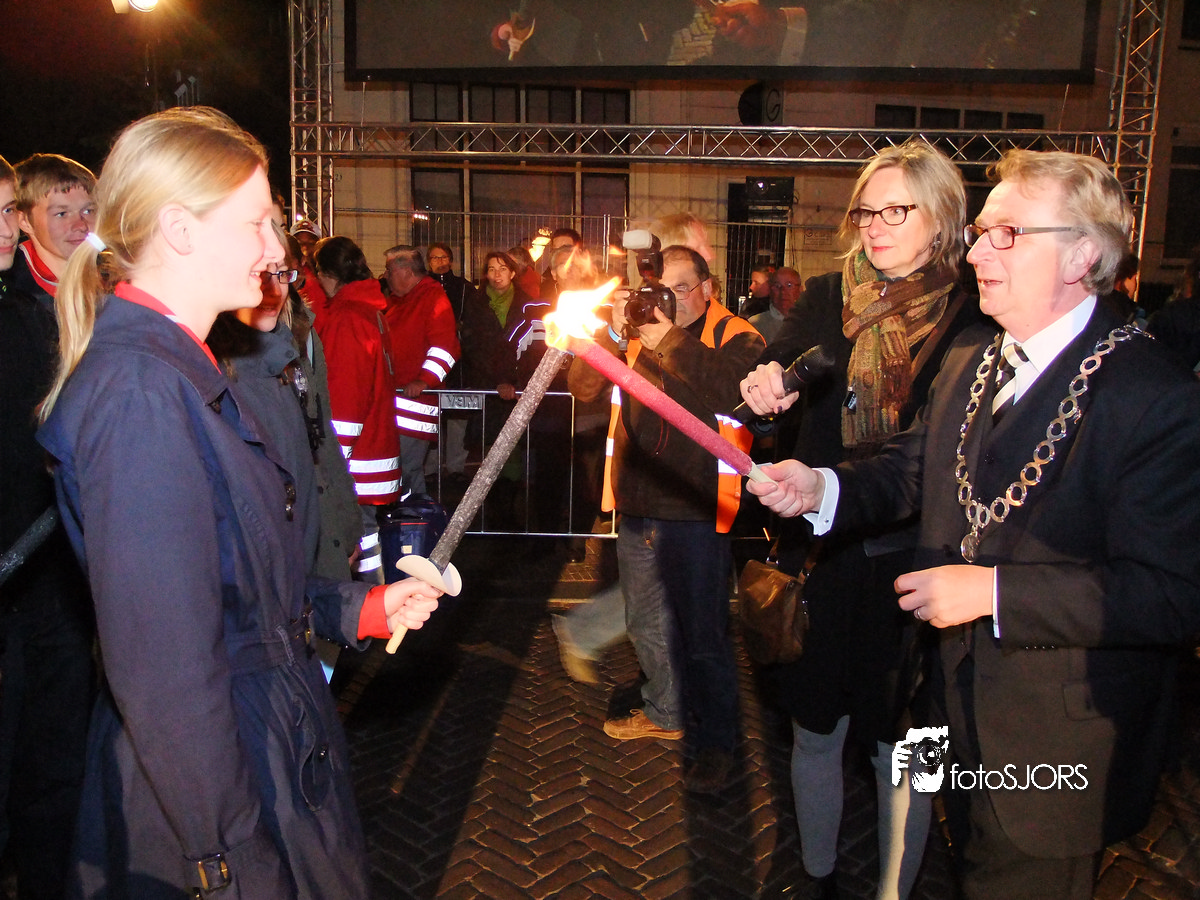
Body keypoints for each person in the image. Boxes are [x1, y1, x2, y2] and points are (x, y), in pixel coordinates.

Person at [742, 149, 1200, 900]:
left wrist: (994, 594)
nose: (979, 251)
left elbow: (1171, 595)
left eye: (1007, 234)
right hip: (954, 706)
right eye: (982, 232)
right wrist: (821, 487)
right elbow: (911, 469)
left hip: (1055, 745)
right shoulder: (974, 358)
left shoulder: (1153, 395)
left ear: (1082, 255)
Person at [35, 107, 444, 898]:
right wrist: (228, 859)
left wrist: (359, 607)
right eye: (256, 222)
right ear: (180, 229)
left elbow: (237, 583)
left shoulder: (183, 371)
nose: (274, 249)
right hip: (223, 787)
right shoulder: (142, 395)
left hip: (264, 746)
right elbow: (167, 672)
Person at [747, 140, 979, 900]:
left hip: (921, 565)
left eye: (895, 211)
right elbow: (787, 360)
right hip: (823, 553)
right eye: (865, 212)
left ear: (941, 216)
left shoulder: (974, 313)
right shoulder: (827, 294)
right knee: (814, 728)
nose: (874, 226)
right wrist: (770, 381)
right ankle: (817, 877)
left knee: (904, 749)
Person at [567, 244, 764, 793]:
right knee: (645, 621)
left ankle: (717, 743)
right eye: (659, 289)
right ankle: (667, 708)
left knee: (703, 635)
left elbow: (734, 394)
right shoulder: (635, 330)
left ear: (708, 288)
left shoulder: (737, 336)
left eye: (680, 289)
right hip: (638, 500)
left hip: (696, 506)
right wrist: (606, 334)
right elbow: (583, 388)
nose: (666, 300)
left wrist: (668, 338)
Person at [0, 154, 96, 900]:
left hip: (53, 558)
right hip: (20, 555)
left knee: (56, 744)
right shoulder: (22, 310)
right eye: (57, 212)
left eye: (85, 210)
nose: (77, 225)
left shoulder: (90, 297)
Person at [312, 234, 406, 581]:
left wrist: (333, 458)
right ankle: (374, 602)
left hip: (356, 460)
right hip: (374, 449)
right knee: (367, 541)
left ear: (327, 275)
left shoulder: (347, 317)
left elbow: (346, 395)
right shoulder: (371, 312)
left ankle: (369, 608)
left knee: (359, 544)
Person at [382, 245, 461, 497]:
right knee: (402, 472)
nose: (385, 275)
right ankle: (411, 516)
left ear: (406, 271)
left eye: (389, 270)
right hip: (400, 404)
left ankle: (414, 517)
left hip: (414, 406)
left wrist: (424, 380)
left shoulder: (431, 298)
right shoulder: (401, 301)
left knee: (406, 472)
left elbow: (446, 349)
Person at [10, 153, 96, 309]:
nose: (81, 225)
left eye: (88, 211)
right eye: (62, 214)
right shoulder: (12, 298)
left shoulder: (118, 277)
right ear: (24, 221)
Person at [426, 242, 479, 484]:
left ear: (451, 260)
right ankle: (431, 467)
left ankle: (456, 466)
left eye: (444, 257)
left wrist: (463, 328)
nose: (440, 262)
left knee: (458, 416)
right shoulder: (423, 287)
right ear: (428, 262)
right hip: (429, 360)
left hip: (459, 362)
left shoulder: (465, 288)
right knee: (432, 415)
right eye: (435, 258)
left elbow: (474, 319)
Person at [748, 265, 802, 343]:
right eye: (777, 286)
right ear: (770, 290)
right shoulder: (756, 324)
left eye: (789, 285)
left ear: (800, 290)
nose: (783, 291)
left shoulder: (811, 322)